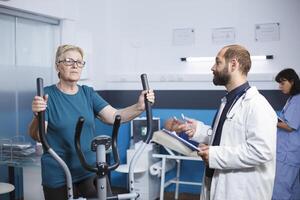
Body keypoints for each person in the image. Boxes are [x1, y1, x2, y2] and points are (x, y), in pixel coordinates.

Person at [28, 44, 155, 200]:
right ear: (57, 66)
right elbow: (39, 136)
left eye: (79, 62)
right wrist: (37, 116)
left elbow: (114, 116)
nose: (75, 65)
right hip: (59, 174)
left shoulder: (88, 93)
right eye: (68, 61)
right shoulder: (47, 95)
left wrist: (139, 106)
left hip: (90, 170)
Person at [177, 44, 277, 200]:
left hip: (240, 191)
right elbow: (227, 138)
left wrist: (215, 154)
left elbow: (261, 151)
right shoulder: (228, 101)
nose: (212, 67)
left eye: (217, 62)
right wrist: (200, 131)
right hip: (216, 183)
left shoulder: (257, 105)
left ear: (233, 64)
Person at [272, 68, 300, 200]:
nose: (279, 87)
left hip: (287, 155)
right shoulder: (292, 99)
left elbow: (290, 126)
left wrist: (271, 119)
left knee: (280, 191)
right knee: (294, 191)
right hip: (292, 154)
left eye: (282, 83)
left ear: (292, 81)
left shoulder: (297, 100)